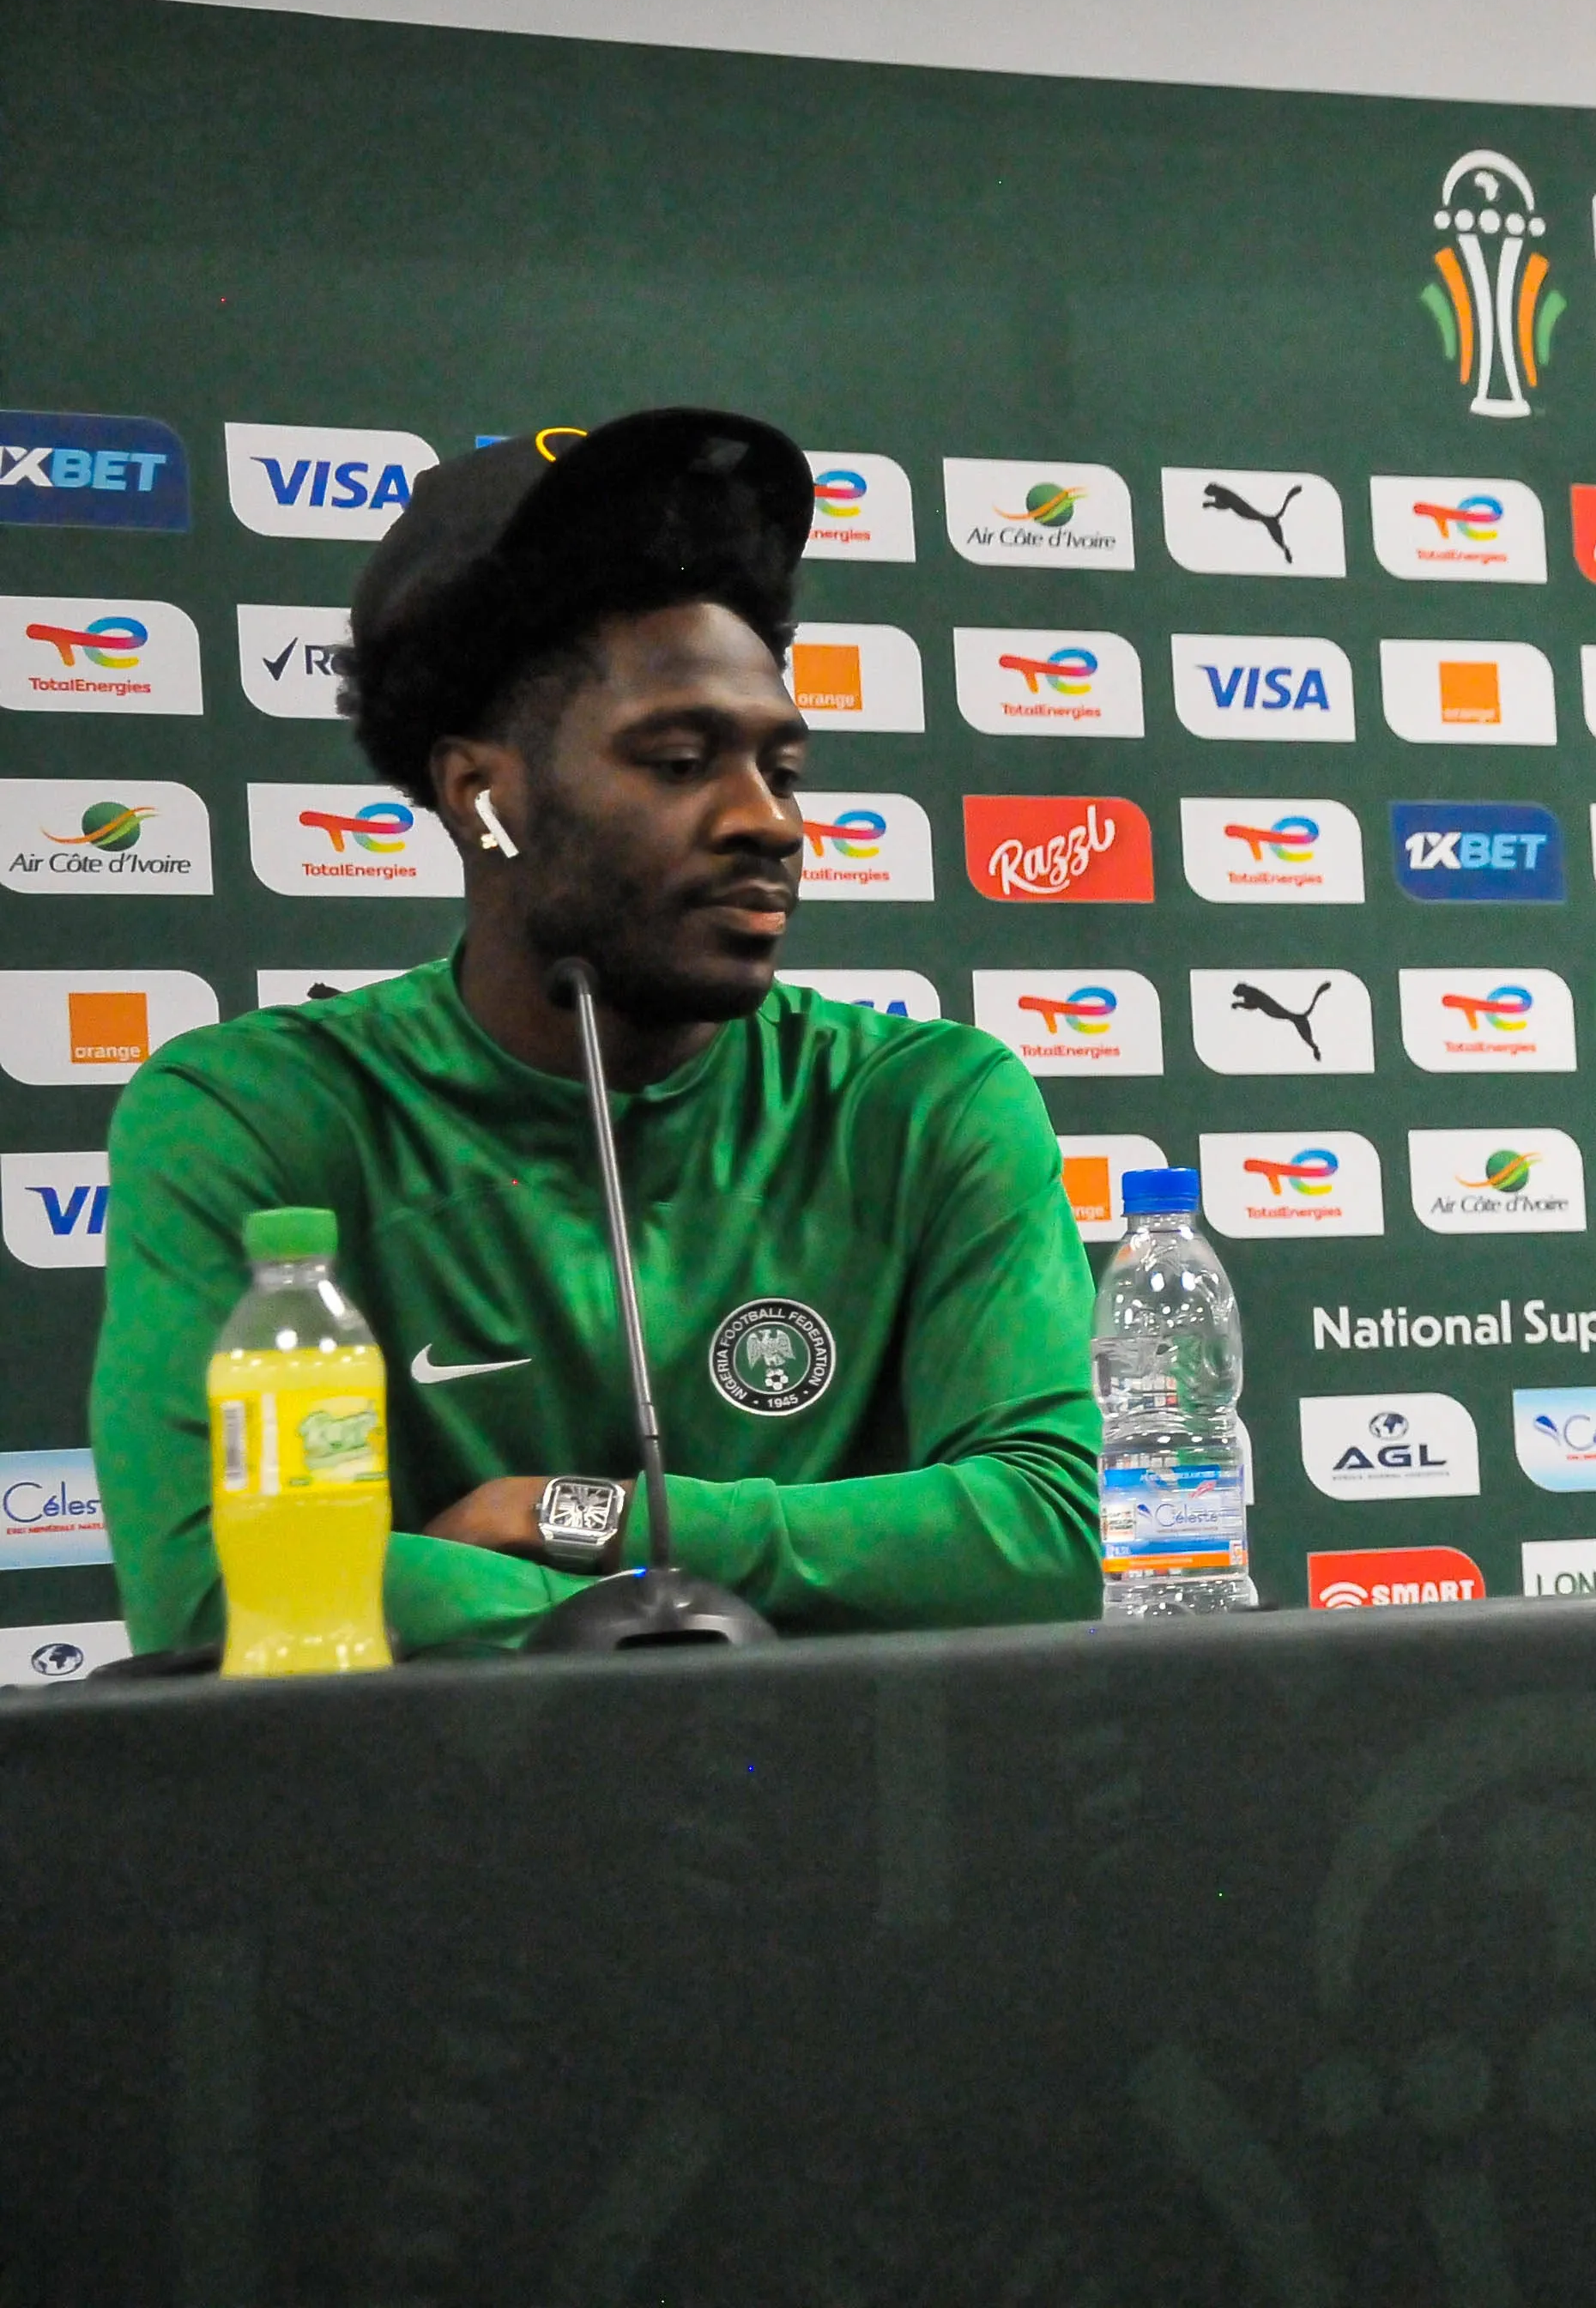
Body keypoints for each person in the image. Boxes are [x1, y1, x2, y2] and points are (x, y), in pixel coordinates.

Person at [93, 409, 1100, 1653]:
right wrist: (661, 1605)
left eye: (783, 770)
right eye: (681, 762)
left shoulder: (927, 1100)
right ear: (485, 799)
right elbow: (213, 1585)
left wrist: (588, 1521)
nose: (768, 823)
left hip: (841, 1829)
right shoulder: (254, 1116)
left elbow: (1047, 1541)